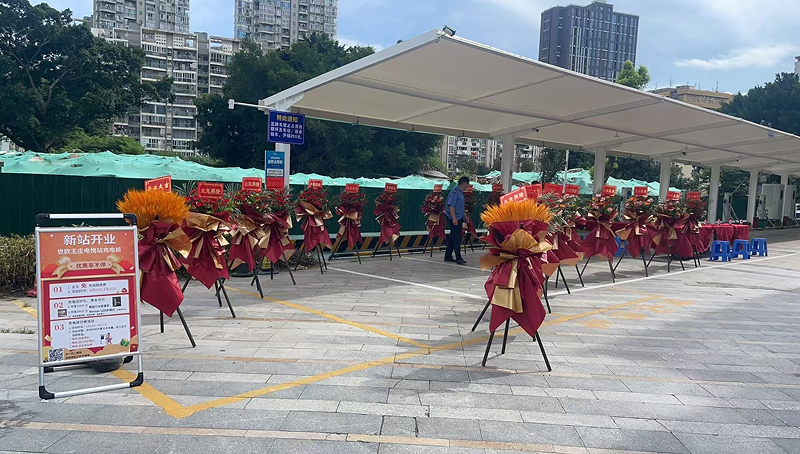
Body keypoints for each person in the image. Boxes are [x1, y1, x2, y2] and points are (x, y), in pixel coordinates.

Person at [445, 176, 470, 265]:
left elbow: (460, 207)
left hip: (459, 217)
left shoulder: (460, 192)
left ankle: (448, 255)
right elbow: (451, 205)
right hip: (453, 218)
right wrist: (454, 218)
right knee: (457, 238)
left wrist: (465, 218)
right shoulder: (455, 192)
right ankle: (458, 257)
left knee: (453, 237)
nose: (468, 186)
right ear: (465, 183)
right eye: (467, 184)